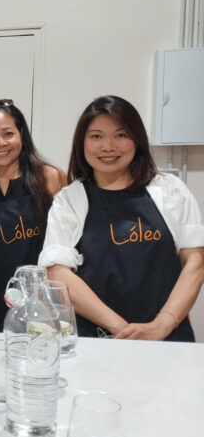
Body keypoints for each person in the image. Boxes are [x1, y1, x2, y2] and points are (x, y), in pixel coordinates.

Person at [40, 95, 204, 341]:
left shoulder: (170, 190)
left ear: (137, 140)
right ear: (82, 143)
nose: (108, 146)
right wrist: (122, 329)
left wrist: (162, 325)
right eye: (96, 136)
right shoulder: (69, 201)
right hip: (97, 341)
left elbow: (196, 262)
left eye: (121, 135)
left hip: (168, 339)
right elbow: (57, 272)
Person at [0, 99, 66, 331]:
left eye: (8, 134)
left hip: (42, 305)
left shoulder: (49, 178)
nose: (0, 143)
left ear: (22, 135)